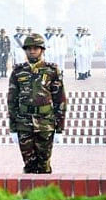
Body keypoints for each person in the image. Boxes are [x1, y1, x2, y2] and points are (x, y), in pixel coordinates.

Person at [8, 33, 66, 173]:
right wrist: (13, 128)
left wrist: (59, 128)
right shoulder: (18, 71)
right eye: (29, 48)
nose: (32, 51)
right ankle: (28, 193)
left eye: (36, 48)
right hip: (24, 123)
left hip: (45, 123)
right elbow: (12, 101)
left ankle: (45, 194)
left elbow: (60, 100)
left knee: (44, 165)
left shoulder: (52, 70)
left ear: (42, 50)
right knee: (29, 165)